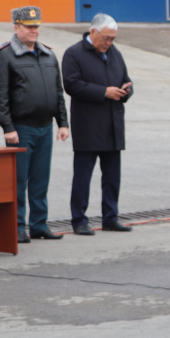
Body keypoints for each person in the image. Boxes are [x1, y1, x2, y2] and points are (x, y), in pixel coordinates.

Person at [0, 6, 70, 243]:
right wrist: (8, 127)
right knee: (18, 180)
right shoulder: (5, 55)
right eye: (29, 27)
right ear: (17, 27)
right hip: (21, 129)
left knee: (40, 179)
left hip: (45, 127)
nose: (34, 30)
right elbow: (0, 96)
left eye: (36, 26)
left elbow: (57, 92)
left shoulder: (48, 55)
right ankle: (16, 227)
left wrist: (62, 123)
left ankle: (39, 225)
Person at [62, 14, 134, 235]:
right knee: (83, 177)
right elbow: (72, 85)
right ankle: (79, 220)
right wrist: (104, 92)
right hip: (88, 125)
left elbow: (125, 79)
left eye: (112, 39)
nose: (109, 43)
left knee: (112, 176)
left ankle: (110, 217)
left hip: (113, 125)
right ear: (93, 32)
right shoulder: (74, 54)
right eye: (106, 38)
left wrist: (127, 90)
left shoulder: (115, 53)